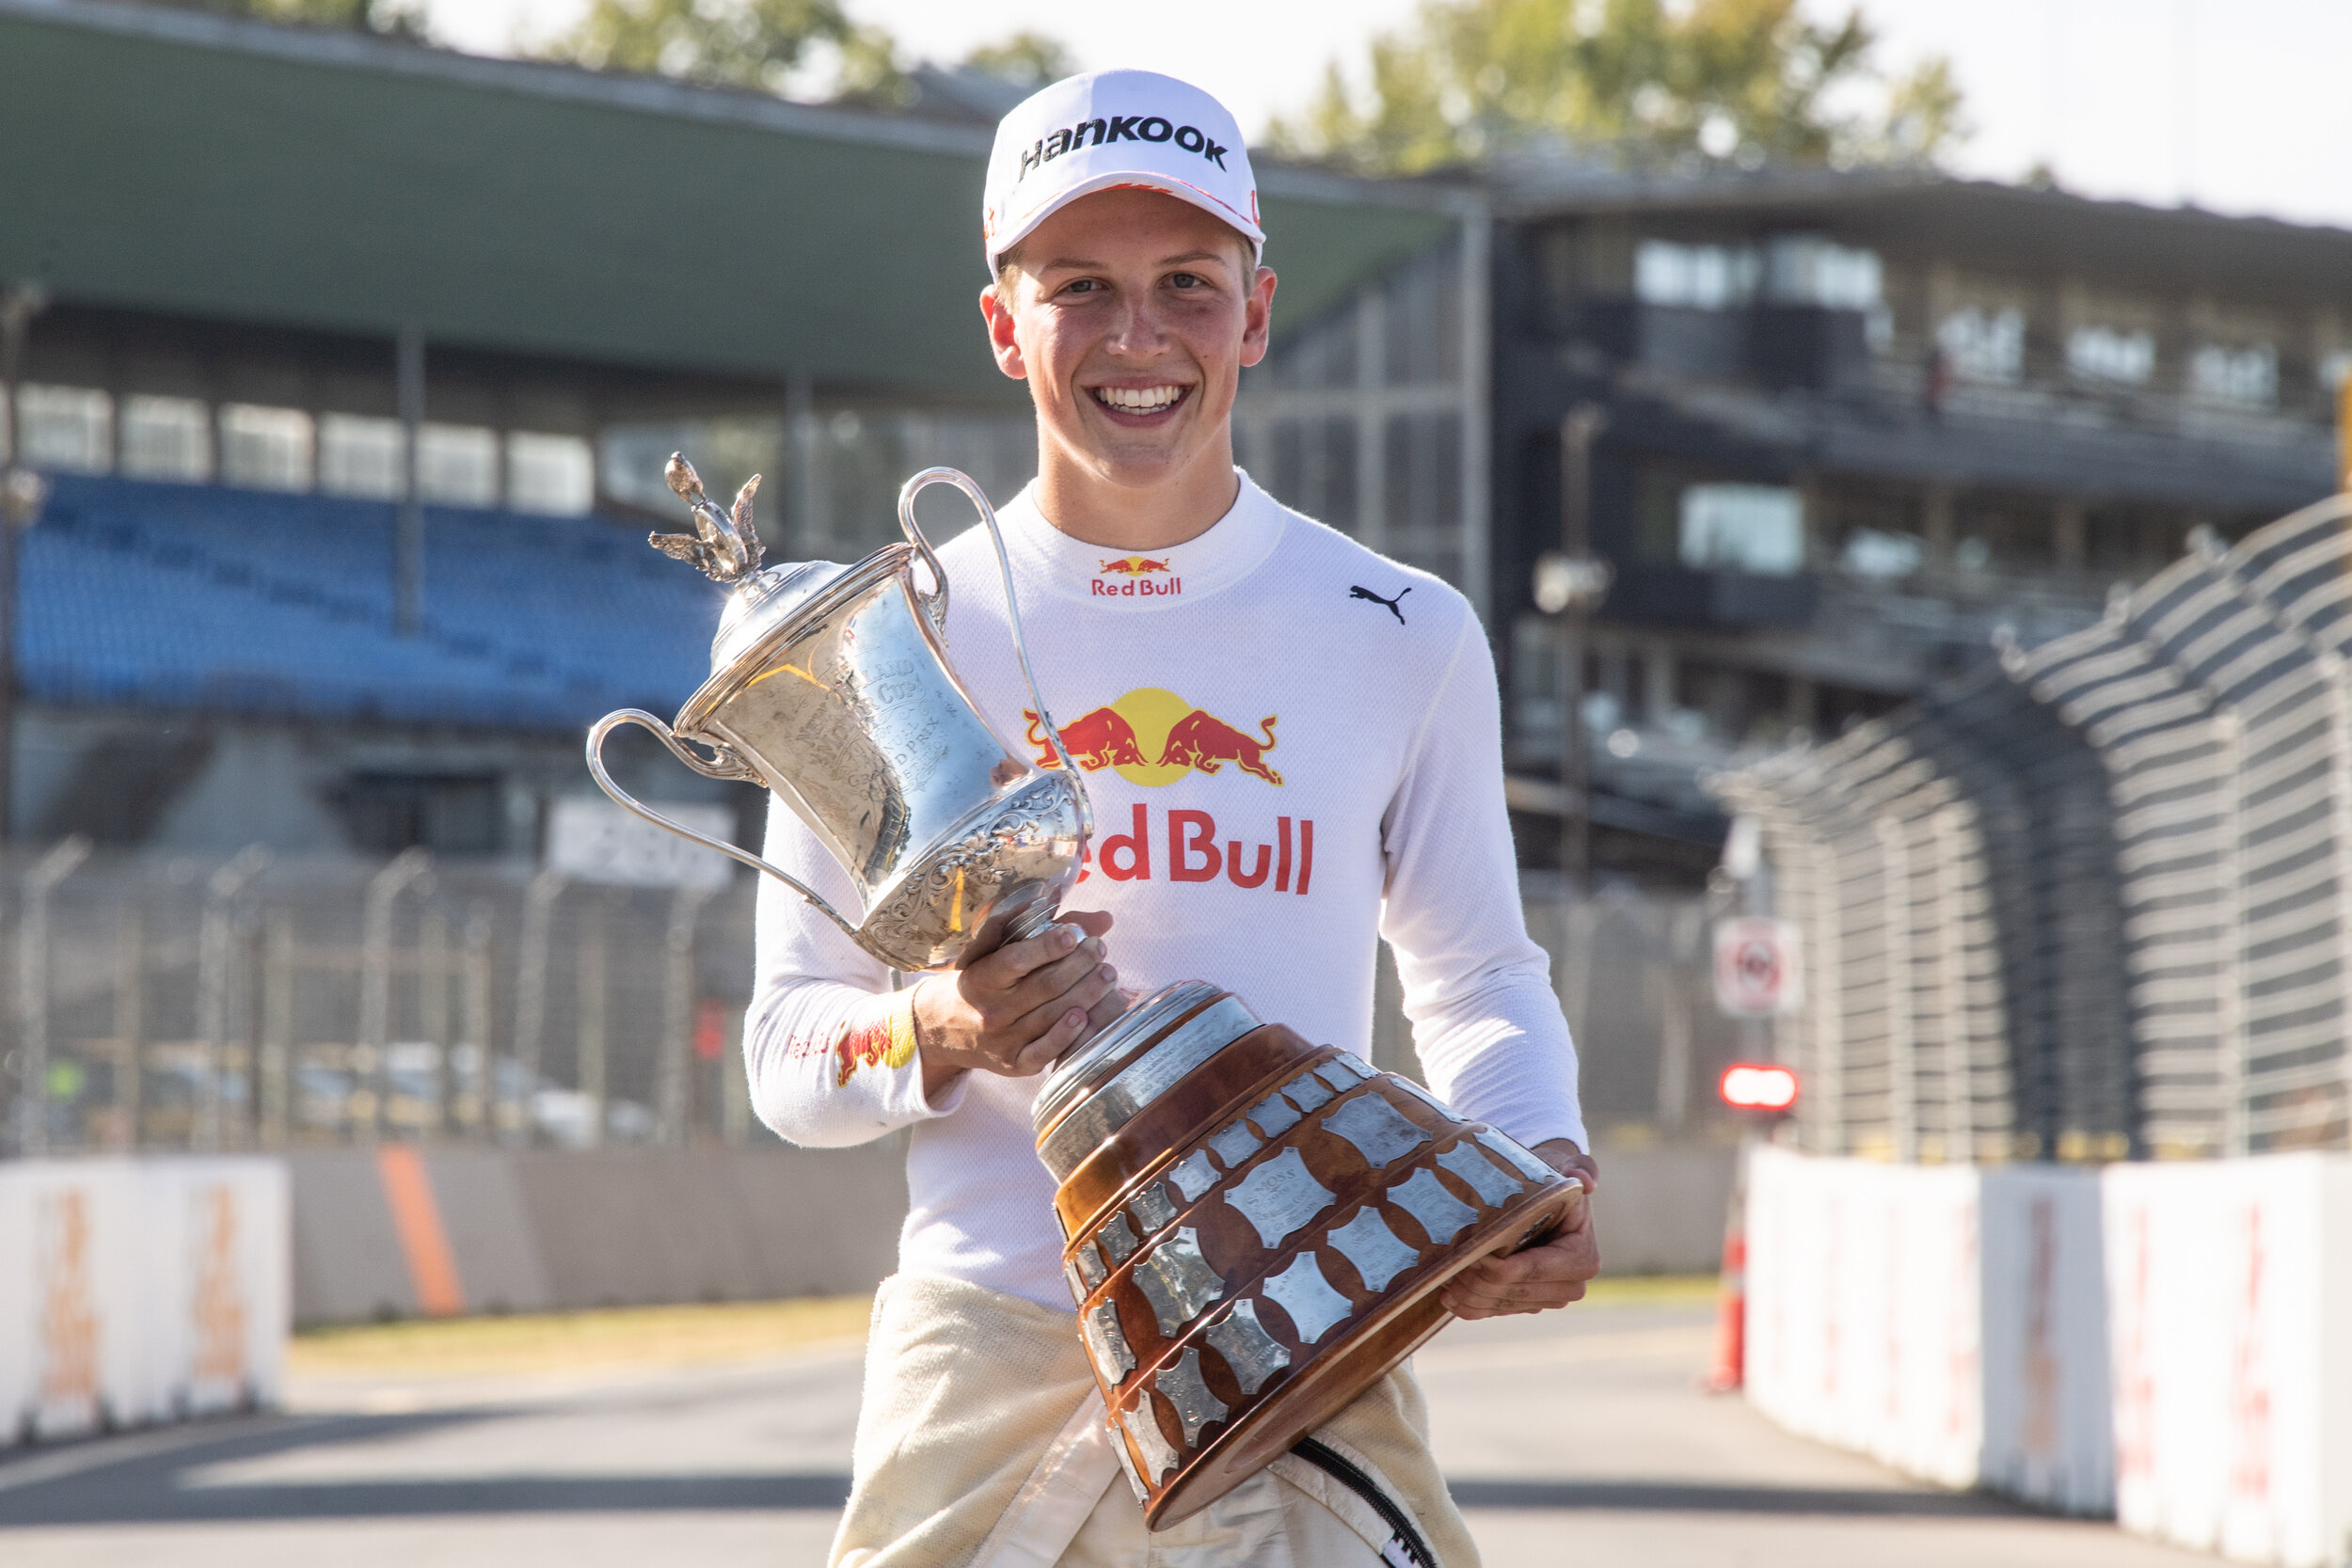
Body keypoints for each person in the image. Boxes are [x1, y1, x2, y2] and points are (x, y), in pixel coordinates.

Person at [745, 68, 1600, 1568]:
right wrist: (938, 1030)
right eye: (1083, 287)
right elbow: (787, 1053)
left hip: (1310, 1344)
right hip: (984, 1372)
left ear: (1255, 314)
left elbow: (1475, 979)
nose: (1139, 338)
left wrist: (1541, 1163)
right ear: (1006, 325)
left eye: (1186, 286)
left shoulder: (1401, 628)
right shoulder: (886, 642)